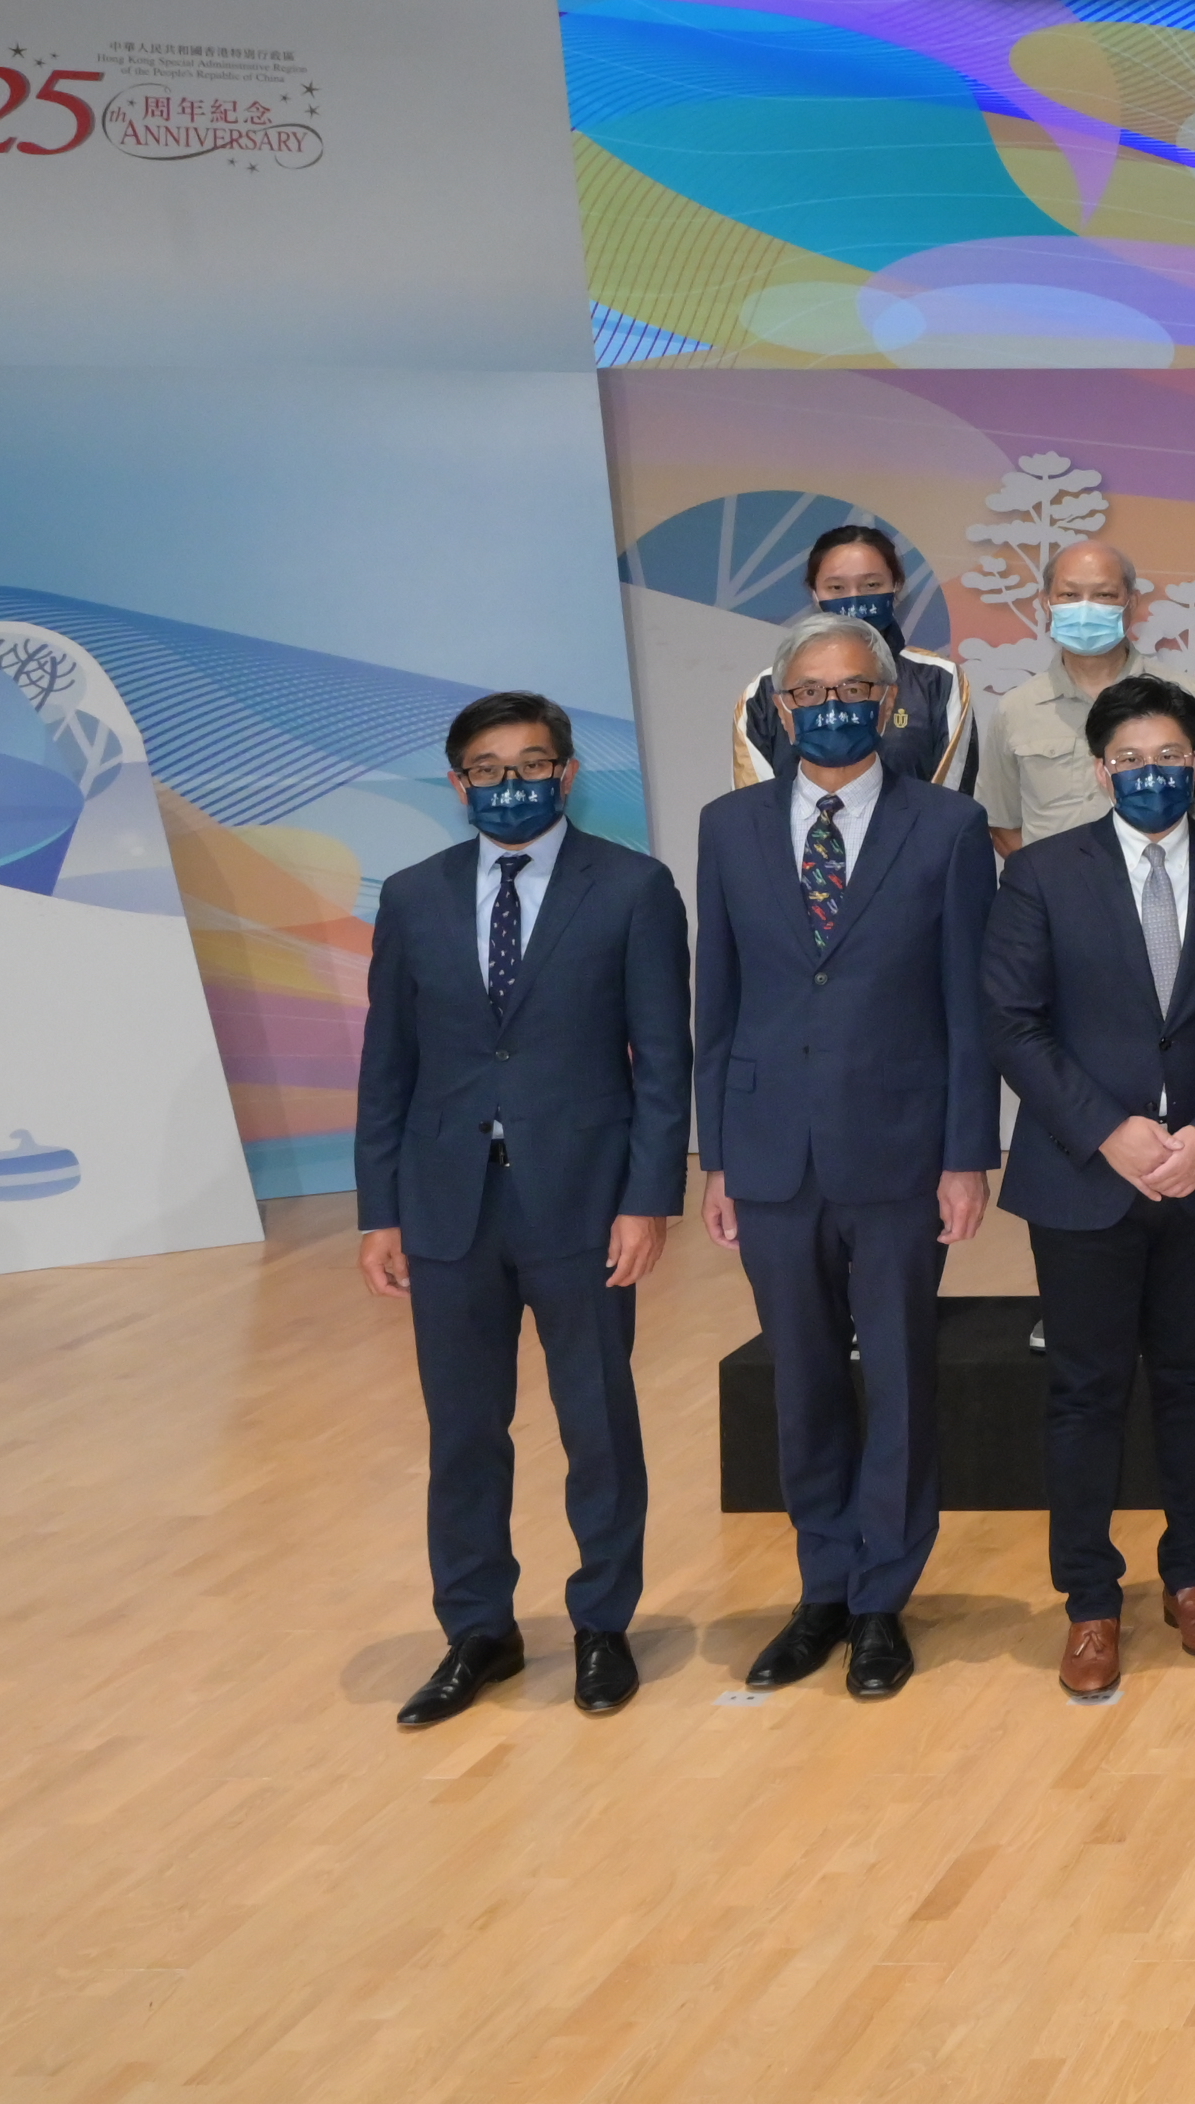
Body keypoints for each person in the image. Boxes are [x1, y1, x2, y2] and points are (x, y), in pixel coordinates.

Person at [356, 690, 691, 1730]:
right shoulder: (413, 896)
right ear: (457, 783)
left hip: (584, 1205)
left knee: (597, 1424)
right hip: (447, 1205)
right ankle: (478, 1631)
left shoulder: (633, 888)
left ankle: (601, 1623)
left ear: (569, 770)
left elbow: (662, 1063)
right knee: (463, 1430)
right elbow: (387, 1065)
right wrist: (380, 1208)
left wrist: (647, 1198)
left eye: (532, 762)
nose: (512, 783)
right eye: (488, 768)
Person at [694, 610, 1001, 1700]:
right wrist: (714, 1156)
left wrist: (968, 1155)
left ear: (889, 704)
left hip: (901, 1154)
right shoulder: (727, 828)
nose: (833, 704)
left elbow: (969, 1006)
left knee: (902, 1379)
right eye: (810, 690)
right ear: (780, 709)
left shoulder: (949, 827)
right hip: (771, 1152)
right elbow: (716, 1002)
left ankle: (883, 1600)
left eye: (854, 688)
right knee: (804, 1379)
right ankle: (821, 1584)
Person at [985, 675, 1195, 1700]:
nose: (1151, 772)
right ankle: (1091, 1601)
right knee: (1084, 1390)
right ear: (1101, 766)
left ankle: (1193, 1578)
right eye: (1131, 758)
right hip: (1084, 1175)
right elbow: (1013, 1022)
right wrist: (1107, 1130)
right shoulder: (1040, 875)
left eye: (1171, 756)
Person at [726, 521, 976, 797]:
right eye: (836, 588)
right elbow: (754, 811)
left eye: (871, 584)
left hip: (914, 840)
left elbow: (951, 801)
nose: (854, 599)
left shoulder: (938, 679)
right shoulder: (766, 690)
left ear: (897, 586)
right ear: (814, 593)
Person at [982, 536, 1178, 852]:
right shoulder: (1015, 709)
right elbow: (1002, 824)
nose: (1085, 608)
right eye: (1069, 595)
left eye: (1104, 595)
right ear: (1046, 602)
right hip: (1053, 895)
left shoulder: (1185, 699)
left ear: (1133, 601)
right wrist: (1051, 886)